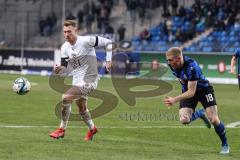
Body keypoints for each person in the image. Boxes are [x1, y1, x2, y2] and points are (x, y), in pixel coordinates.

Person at [49, 20, 112, 141]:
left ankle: (61, 129)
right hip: (77, 80)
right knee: (82, 108)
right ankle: (92, 129)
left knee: (66, 98)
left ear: (76, 31)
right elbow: (64, 67)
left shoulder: (86, 41)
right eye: (65, 32)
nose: (67, 34)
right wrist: (58, 69)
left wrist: (108, 60)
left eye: (69, 31)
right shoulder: (65, 47)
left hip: (90, 79)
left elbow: (108, 43)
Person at [163, 47, 229, 154]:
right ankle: (199, 114)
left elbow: (192, 91)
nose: (168, 62)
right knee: (184, 120)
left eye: (170, 60)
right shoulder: (172, 66)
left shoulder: (192, 67)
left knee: (214, 120)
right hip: (188, 91)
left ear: (178, 58)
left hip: (203, 90)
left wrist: (174, 99)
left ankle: (225, 144)